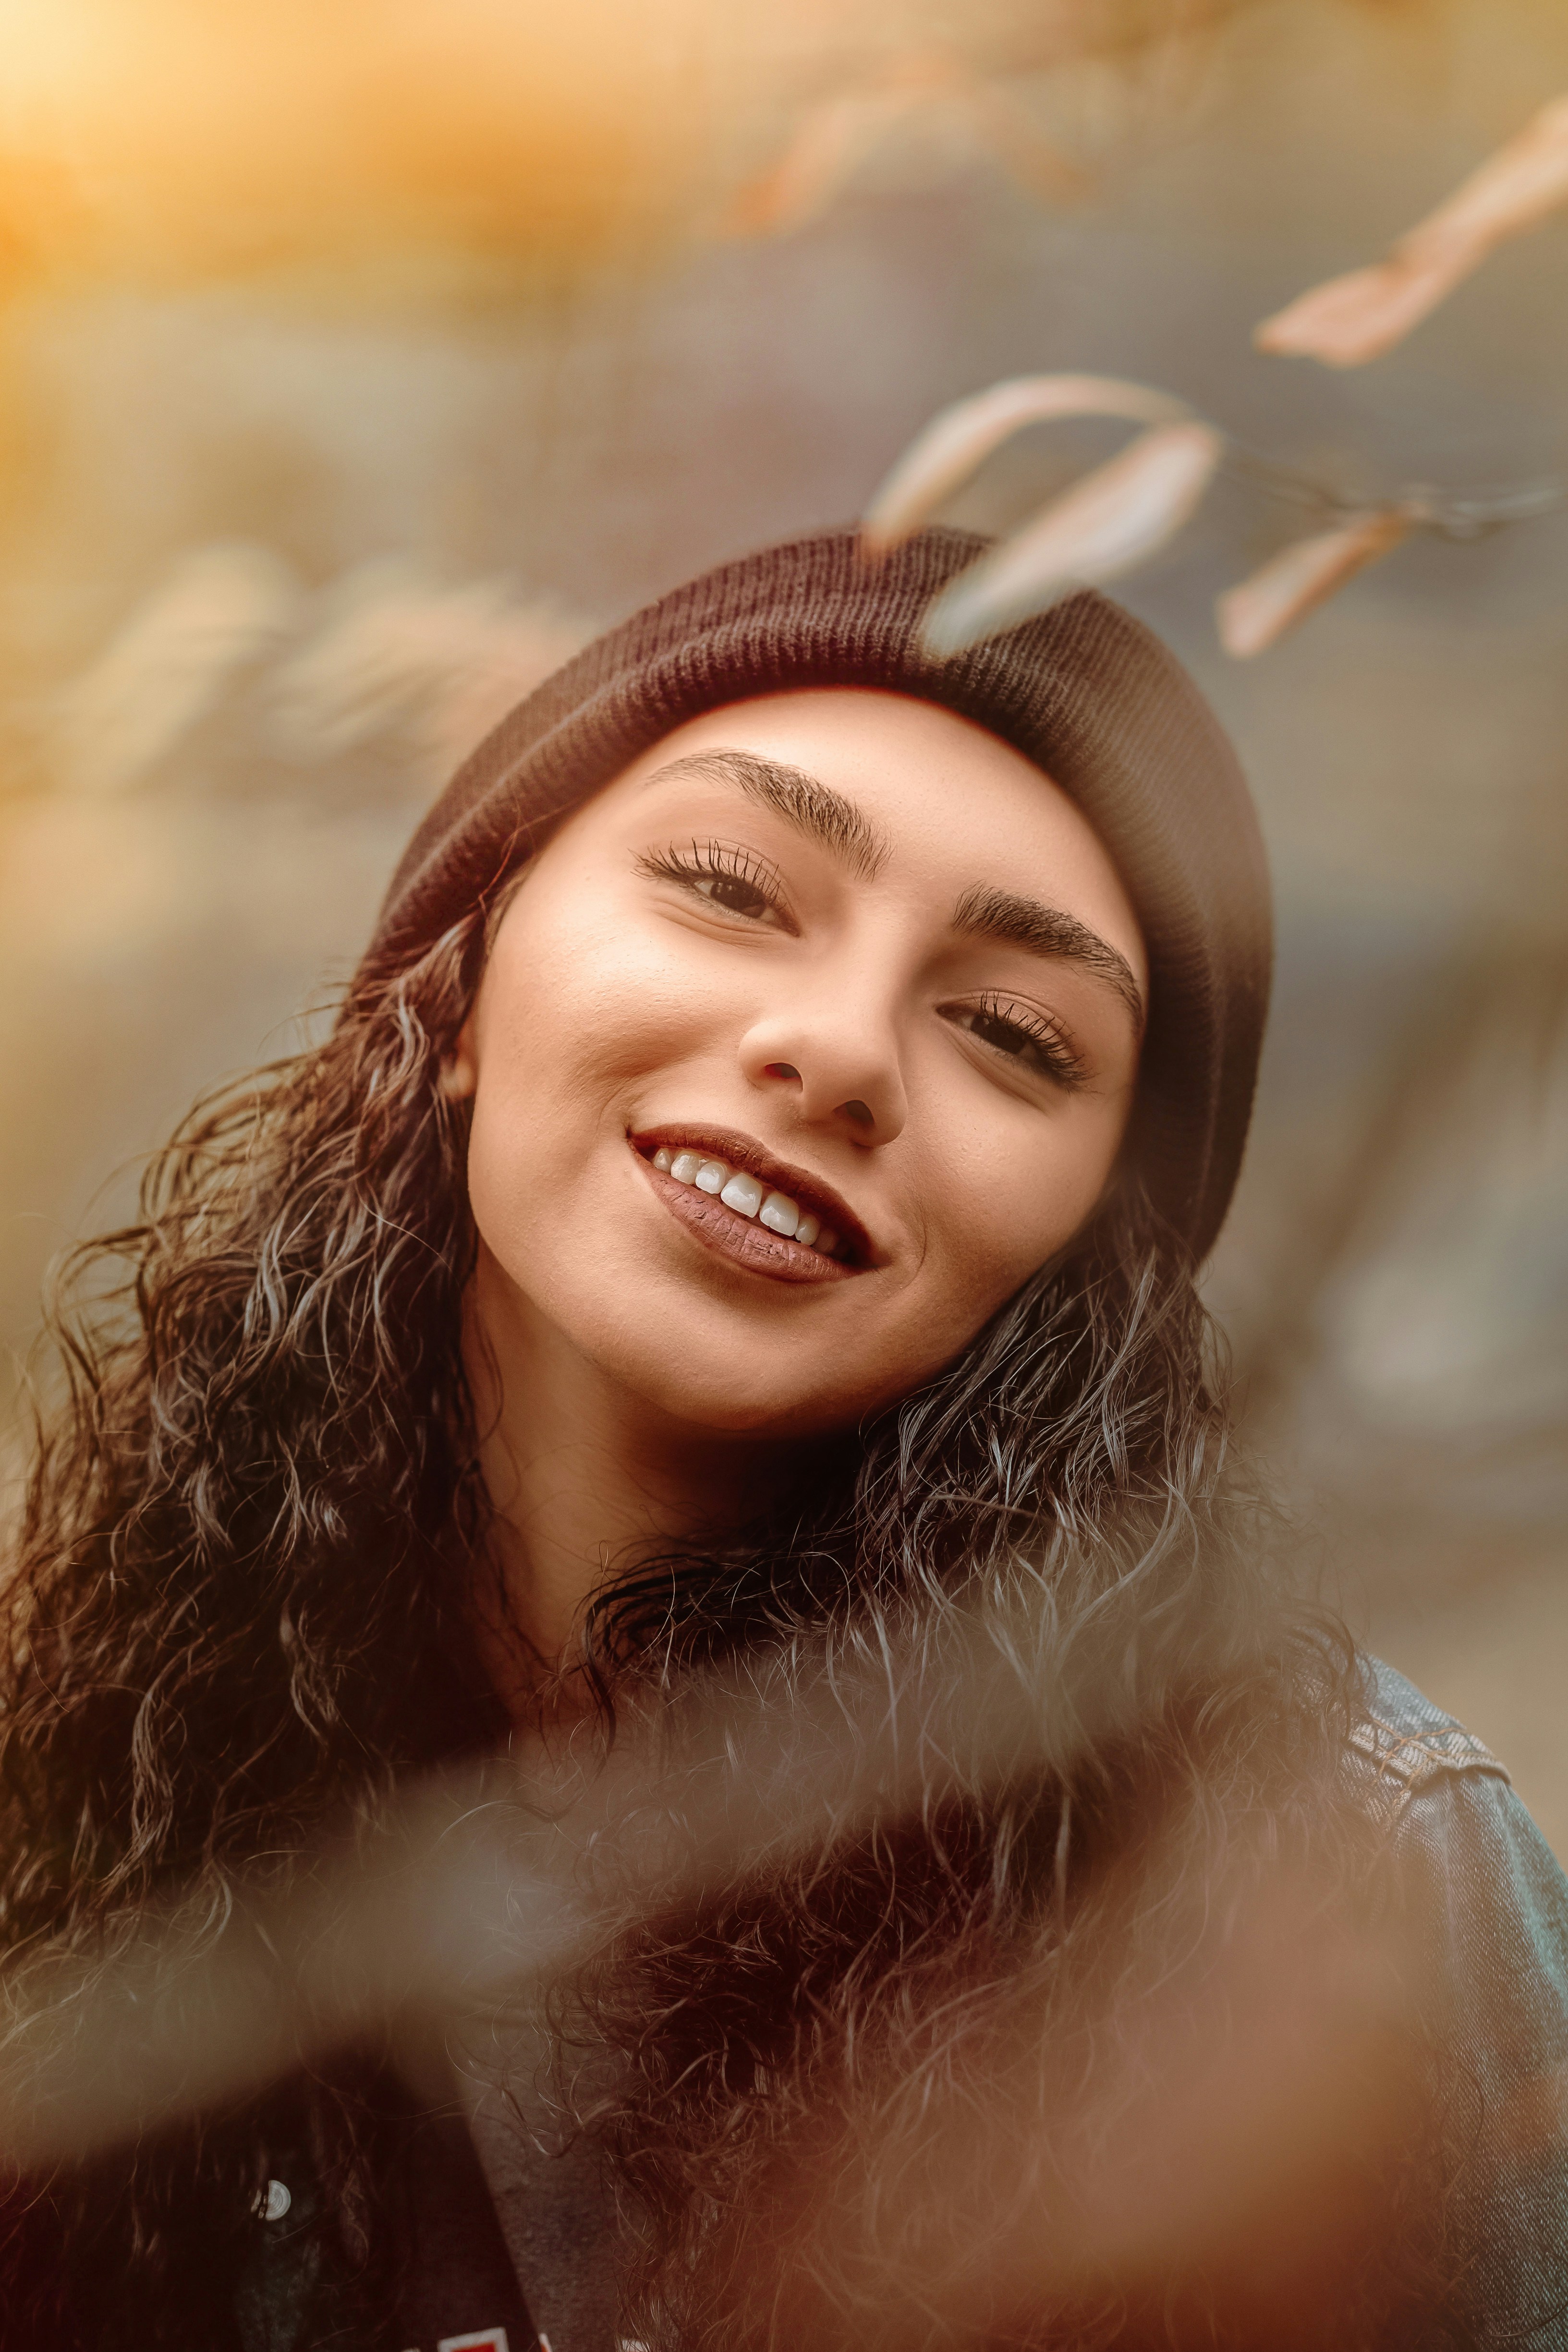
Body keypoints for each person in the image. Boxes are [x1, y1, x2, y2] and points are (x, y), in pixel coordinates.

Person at [2, 525, 1566, 2352]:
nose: (836, 1050)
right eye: (733, 888)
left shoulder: (1350, 1871)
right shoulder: (90, 1765)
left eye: (1006, 1030)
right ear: (460, 989)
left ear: (1091, 1250)